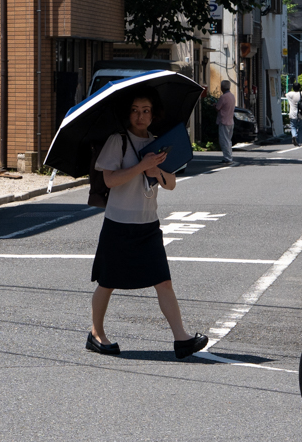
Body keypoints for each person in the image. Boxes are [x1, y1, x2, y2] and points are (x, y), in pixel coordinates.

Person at [86, 89, 210, 360]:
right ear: (127, 113)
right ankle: (96, 334)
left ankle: (181, 339)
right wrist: (141, 166)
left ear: (153, 114)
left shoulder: (158, 143)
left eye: (145, 110)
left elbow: (171, 184)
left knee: (163, 281)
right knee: (107, 282)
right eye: (135, 110)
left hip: (148, 224)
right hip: (119, 223)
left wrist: (157, 171)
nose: (140, 116)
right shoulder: (117, 141)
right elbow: (109, 180)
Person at [214, 79, 237, 164]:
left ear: (222, 87)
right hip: (230, 120)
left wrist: (214, 105)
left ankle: (227, 158)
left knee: (224, 140)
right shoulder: (232, 96)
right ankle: (229, 156)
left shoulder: (223, 97)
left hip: (223, 121)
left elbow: (217, 108)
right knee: (228, 140)